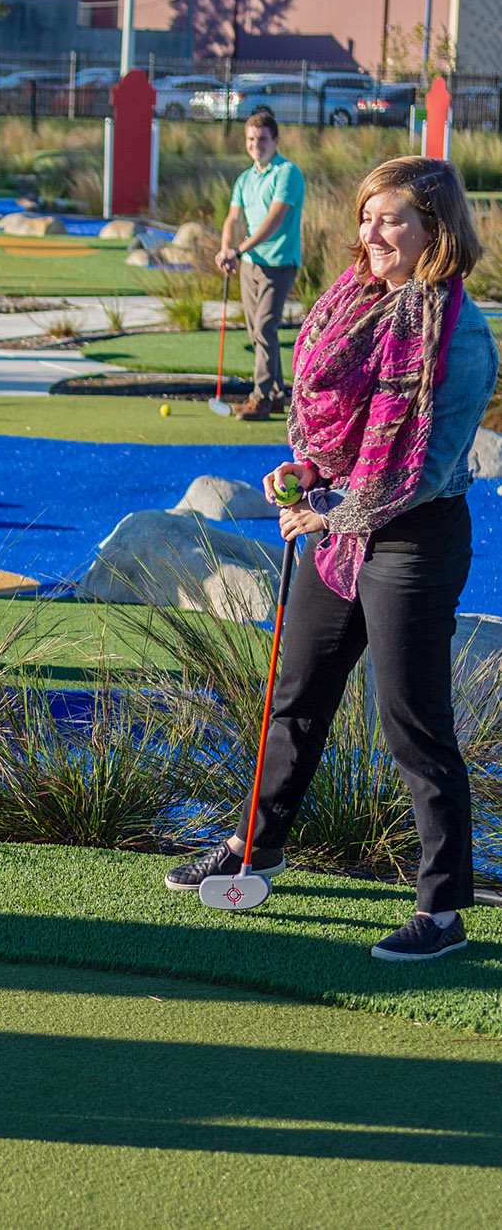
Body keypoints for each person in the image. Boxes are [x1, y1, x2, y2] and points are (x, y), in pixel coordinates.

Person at [166, 156, 496, 963]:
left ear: (436, 230)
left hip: (411, 537)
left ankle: (443, 909)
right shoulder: (354, 299)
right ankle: (259, 845)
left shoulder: (461, 336)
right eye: (366, 217)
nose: (371, 233)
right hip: (336, 526)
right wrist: (307, 471)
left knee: (413, 721)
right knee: (296, 692)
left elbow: (409, 471)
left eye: (393, 220)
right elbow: (332, 425)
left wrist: (327, 508)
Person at [215, 107, 305, 421]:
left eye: (263, 139)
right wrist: (228, 248)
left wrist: (237, 250)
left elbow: (274, 221)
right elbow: (233, 218)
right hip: (251, 263)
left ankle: (262, 397)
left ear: (276, 140)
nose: (257, 144)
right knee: (257, 331)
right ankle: (278, 394)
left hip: (279, 262)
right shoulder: (244, 178)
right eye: (251, 139)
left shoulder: (288, 173)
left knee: (265, 326)